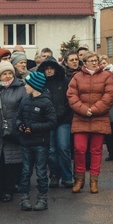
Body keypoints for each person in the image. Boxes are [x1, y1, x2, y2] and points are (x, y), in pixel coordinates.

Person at [67, 51, 113, 194]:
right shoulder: (76, 77)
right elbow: (71, 96)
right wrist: (83, 109)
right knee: (79, 149)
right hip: (81, 118)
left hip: (99, 117)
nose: (94, 63)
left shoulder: (107, 76)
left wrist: (94, 110)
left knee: (96, 150)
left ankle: (94, 181)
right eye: (91, 60)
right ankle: (79, 179)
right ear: (85, 63)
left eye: (96, 60)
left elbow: (109, 96)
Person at [0, 60, 26, 202]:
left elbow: (25, 109)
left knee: (11, 162)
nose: (7, 76)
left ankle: (9, 190)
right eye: (4, 74)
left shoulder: (21, 88)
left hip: (13, 131)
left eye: (9, 73)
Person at [16, 71, 57, 211]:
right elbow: (19, 117)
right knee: (26, 170)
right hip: (26, 142)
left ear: (34, 85)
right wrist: (19, 125)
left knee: (40, 171)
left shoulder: (46, 102)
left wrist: (32, 128)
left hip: (41, 142)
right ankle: (24, 198)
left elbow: (52, 123)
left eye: (27, 84)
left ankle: (42, 198)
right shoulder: (25, 100)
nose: (25, 86)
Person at [37, 56, 74, 188]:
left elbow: (69, 101)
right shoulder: (40, 83)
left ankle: (67, 176)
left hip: (62, 120)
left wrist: (62, 114)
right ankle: (54, 175)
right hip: (47, 122)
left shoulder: (65, 81)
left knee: (63, 147)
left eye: (51, 68)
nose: (49, 71)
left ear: (56, 68)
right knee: (51, 150)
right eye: (46, 68)